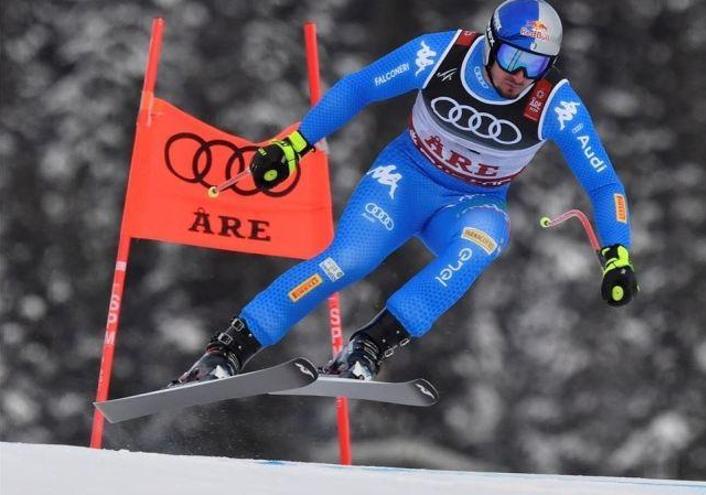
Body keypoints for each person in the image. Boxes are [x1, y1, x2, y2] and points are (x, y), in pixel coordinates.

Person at [172, 0, 638, 385]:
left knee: (485, 243)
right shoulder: (443, 55)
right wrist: (295, 145)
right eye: (513, 57)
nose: (520, 74)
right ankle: (228, 350)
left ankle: (368, 346)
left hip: (471, 204)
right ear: (491, 43)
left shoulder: (555, 103)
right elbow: (359, 88)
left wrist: (617, 254)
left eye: (535, 64)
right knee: (348, 261)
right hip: (406, 180)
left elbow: (604, 183)